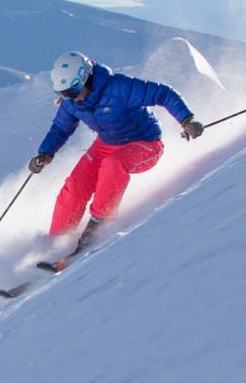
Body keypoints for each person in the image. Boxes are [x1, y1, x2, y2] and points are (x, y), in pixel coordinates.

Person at [28, 50, 203, 264]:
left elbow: (163, 93)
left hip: (145, 143)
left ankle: (101, 222)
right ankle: (56, 242)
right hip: (107, 143)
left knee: (114, 164)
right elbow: (60, 129)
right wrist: (45, 153)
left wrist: (187, 120)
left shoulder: (118, 87)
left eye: (72, 91)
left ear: (86, 78)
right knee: (75, 184)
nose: (69, 98)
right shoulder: (72, 103)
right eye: (63, 93)